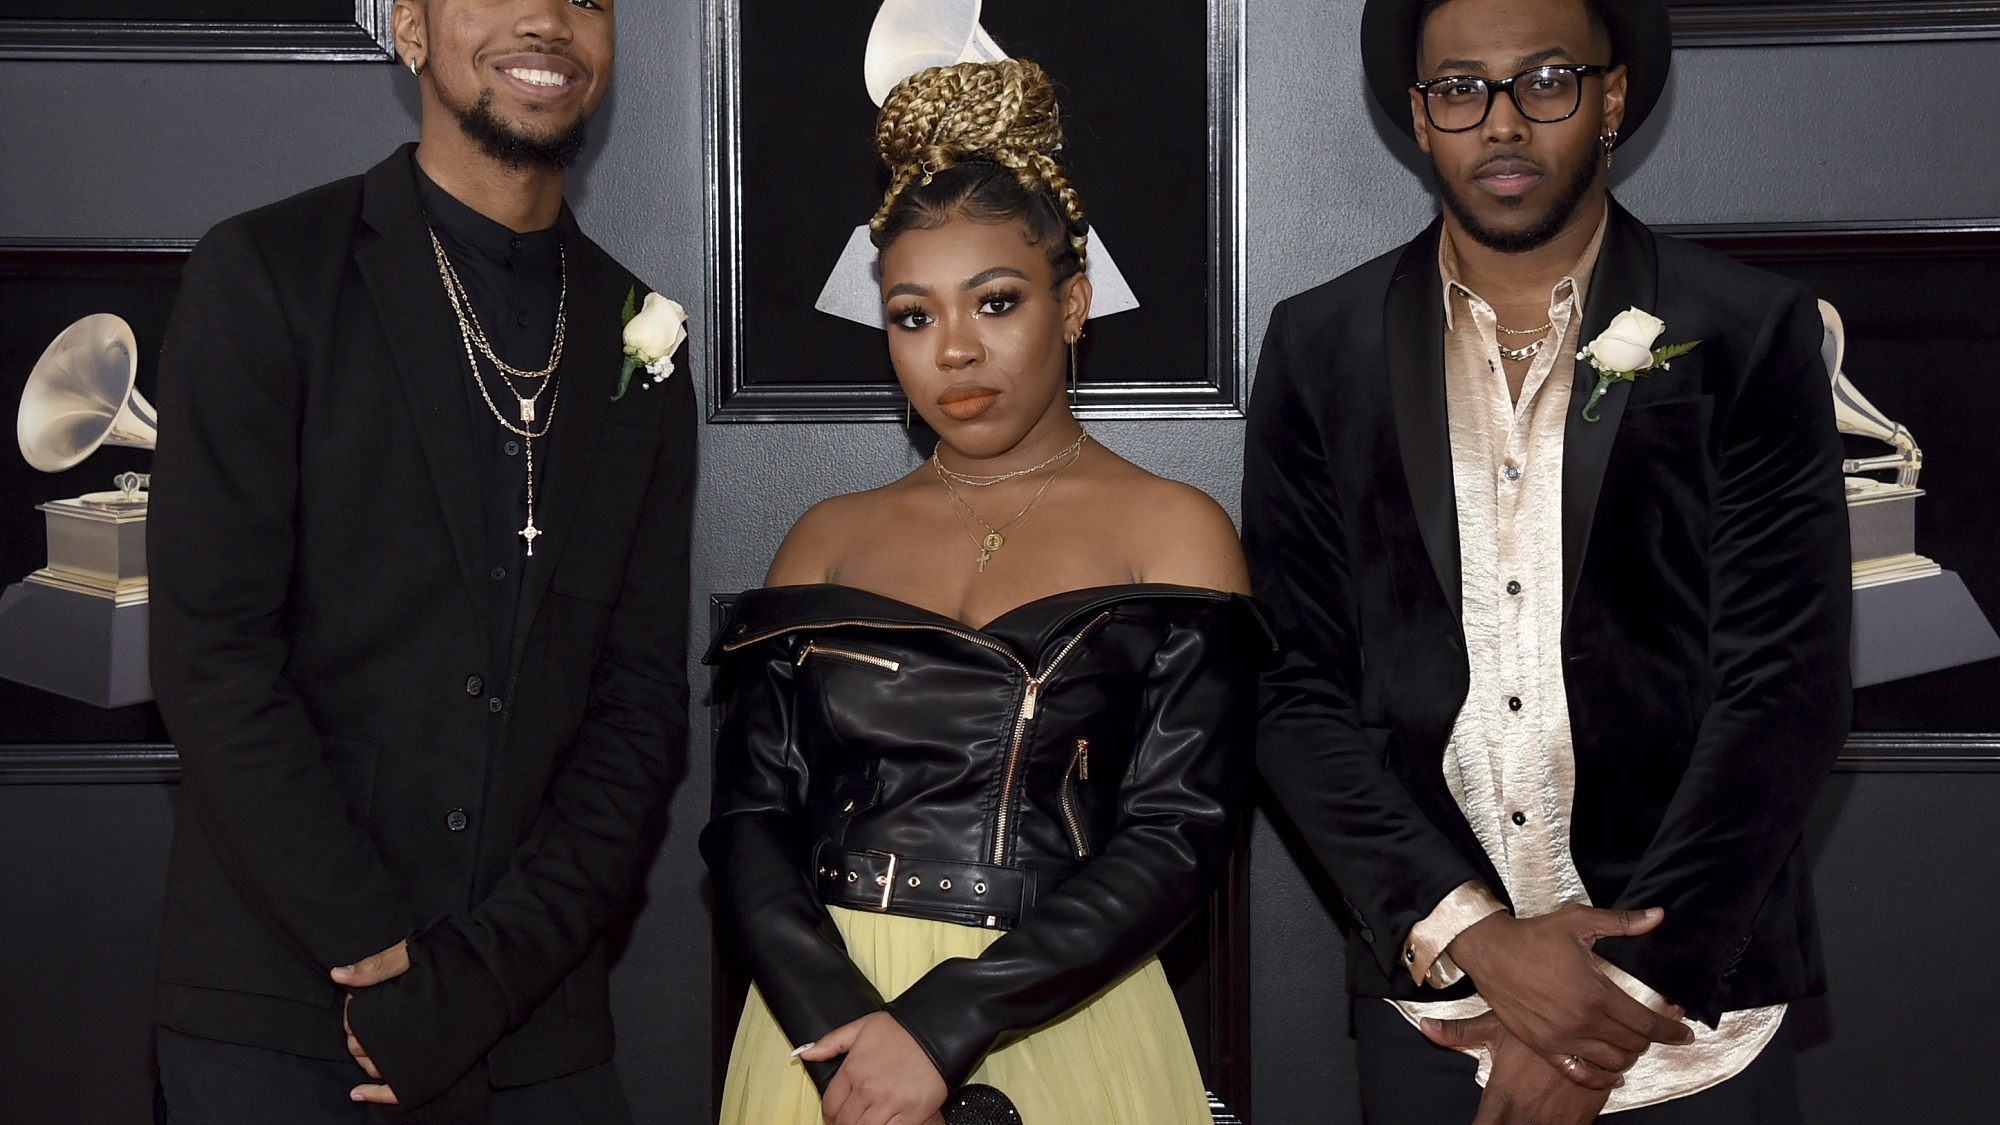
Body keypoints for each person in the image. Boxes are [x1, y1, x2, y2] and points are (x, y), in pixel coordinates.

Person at [1243, 0, 1849, 1121]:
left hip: (1686, 1014)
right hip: (1440, 1006)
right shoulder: (1317, 344)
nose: (1503, 123)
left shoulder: (1746, 330)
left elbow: (1784, 689)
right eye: (1460, 89)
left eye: (1545, 81)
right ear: (1419, 118)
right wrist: (1477, 938)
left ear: (1610, 97)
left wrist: (1603, 1009)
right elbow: (1289, 683)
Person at [146, 0, 695, 1121]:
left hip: (535, 1022)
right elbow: (214, 658)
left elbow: (636, 706)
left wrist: (482, 977)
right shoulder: (266, 272)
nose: (547, 16)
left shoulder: (643, 338)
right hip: (284, 1013)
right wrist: (380, 954)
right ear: (408, 27)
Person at [701, 58, 1271, 1125]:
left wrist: (940, 1026)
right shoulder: (823, 540)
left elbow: (1177, 835)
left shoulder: (1172, 530)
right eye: (911, 317)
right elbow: (746, 823)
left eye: (995, 302)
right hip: (816, 1027)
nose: (953, 349)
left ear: (1072, 303)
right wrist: (850, 1046)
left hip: (1059, 1011)